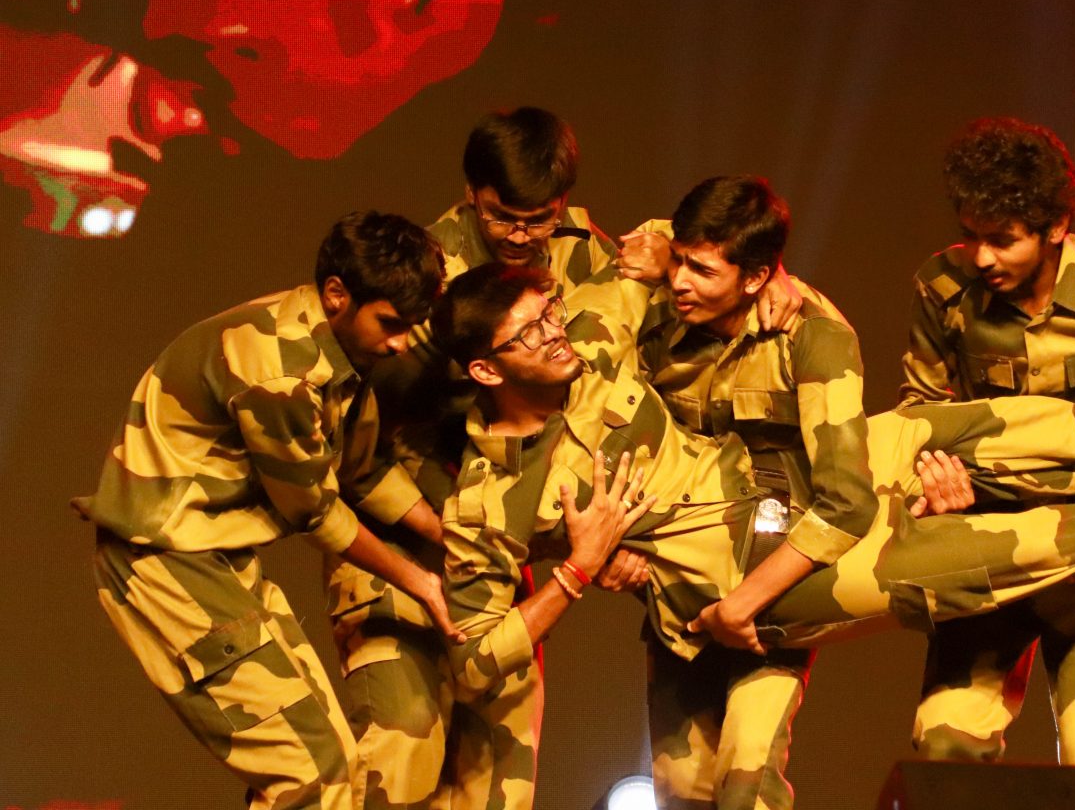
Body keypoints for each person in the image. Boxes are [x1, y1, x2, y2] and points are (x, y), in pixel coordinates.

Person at [429, 260, 1075, 798]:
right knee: (1032, 546)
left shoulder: (593, 338)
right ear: (483, 371)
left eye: (552, 315)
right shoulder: (487, 501)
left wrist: (774, 284)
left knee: (1051, 427)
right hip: (776, 575)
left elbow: (664, 249)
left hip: (814, 473)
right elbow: (475, 662)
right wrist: (578, 570)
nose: (557, 334)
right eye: (531, 335)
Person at [73, 211, 463, 810]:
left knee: (332, 762)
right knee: (312, 771)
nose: (401, 343)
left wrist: (446, 535)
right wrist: (419, 581)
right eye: (390, 324)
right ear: (337, 294)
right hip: (165, 562)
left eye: (412, 327)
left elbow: (361, 471)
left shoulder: (342, 353)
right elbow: (317, 513)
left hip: (219, 562)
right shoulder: (280, 370)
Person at [327, 107, 618, 810]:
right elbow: (361, 444)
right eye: (500, 217)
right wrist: (445, 531)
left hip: (494, 550)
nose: (519, 236)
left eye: (537, 219)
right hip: (406, 541)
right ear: (470, 194)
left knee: (499, 779)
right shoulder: (422, 278)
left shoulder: (584, 254)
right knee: (400, 752)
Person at [899, 118, 1075, 766]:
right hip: (988, 554)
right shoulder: (944, 288)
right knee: (946, 749)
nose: (982, 258)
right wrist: (936, 479)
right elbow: (921, 409)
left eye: (1002, 240)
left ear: (1056, 227)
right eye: (971, 236)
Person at [636, 176, 874, 809]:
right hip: (679, 595)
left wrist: (743, 604)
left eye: (702, 271)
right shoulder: (653, 321)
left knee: (747, 780)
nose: (680, 281)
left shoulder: (812, 337)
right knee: (680, 791)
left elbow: (847, 502)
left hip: (771, 593)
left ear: (756, 277)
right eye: (678, 261)